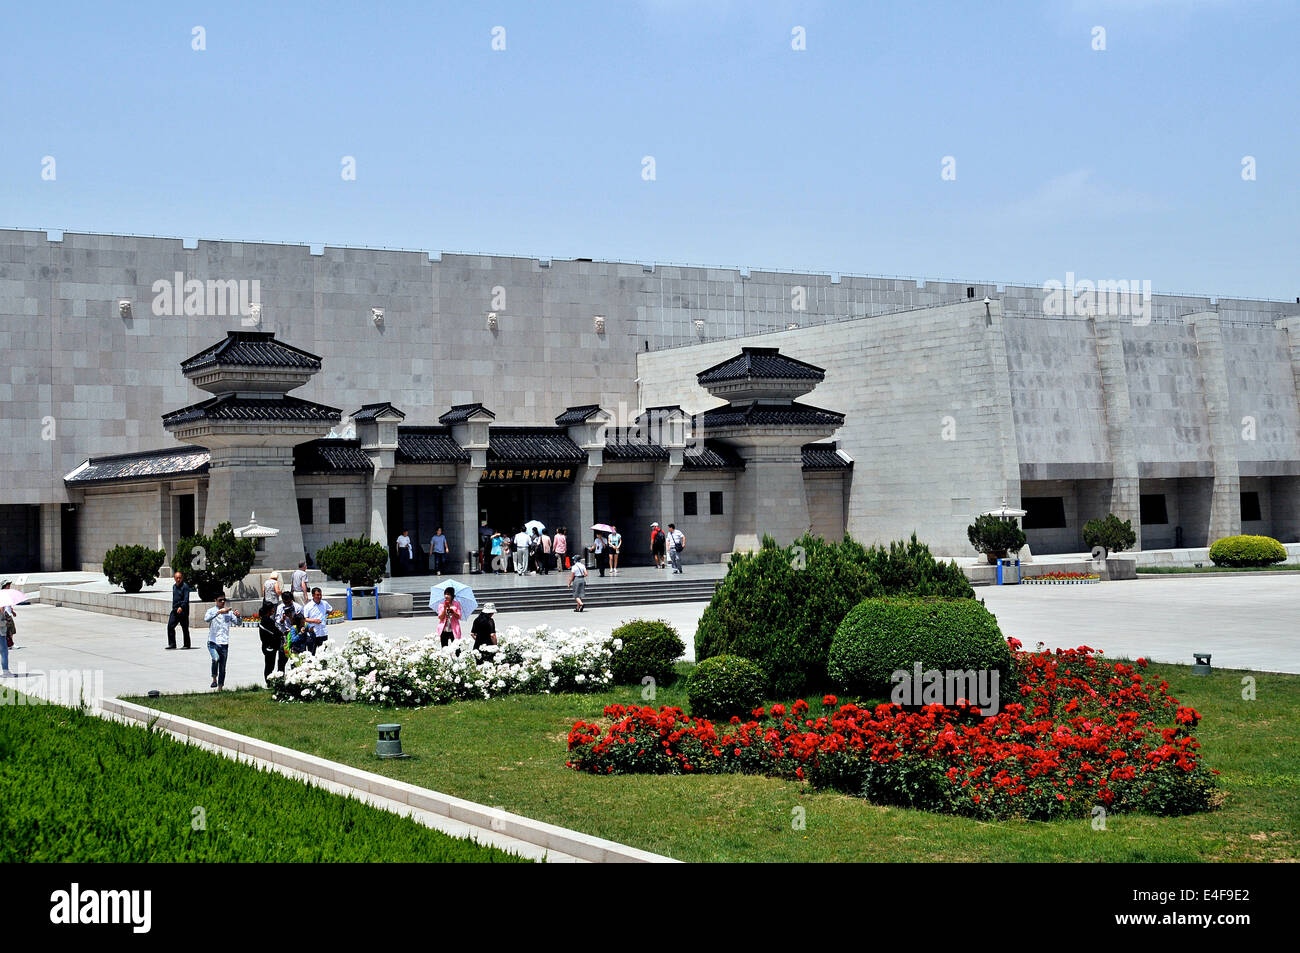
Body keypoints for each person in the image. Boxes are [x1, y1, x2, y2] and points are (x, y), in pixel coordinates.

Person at [204, 595, 237, 690]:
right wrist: (218, 612)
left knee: (222, 667)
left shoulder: (228, 612)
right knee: (215, 659)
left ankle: (220, 687)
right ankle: (214, 678)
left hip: (224, 642)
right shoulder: (211, 611)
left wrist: (238, 617)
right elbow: (206, 619)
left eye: (224, 600)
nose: (222, 602)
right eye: (220, 600)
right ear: (215, 600)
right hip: (213, 642)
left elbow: (238, 622)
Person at [301, 586, 333, 655]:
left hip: (323, 632)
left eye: (320, 594)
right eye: (317, 595)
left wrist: (327, 614)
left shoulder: (324, 603)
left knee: (324, 653)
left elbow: (330, 610)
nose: (319, 596)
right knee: (312, 653)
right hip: (313, 633)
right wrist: (314, 621)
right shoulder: (308, 606)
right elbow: (305, 618)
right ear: (313, 595)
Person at [275, 591, 308, 656]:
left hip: (296, 634)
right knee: (283, 655)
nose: (286, 604)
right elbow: (277, 621)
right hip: (284, 634)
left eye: (288, 602)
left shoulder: (298, 607)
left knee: (298, 656)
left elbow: (301, 622)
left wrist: (291, 617)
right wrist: (282, 619)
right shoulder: (280, 607)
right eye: (285, 602)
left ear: (292, 600)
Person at [166, 570, 192, 650]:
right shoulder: (174, 586)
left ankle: (187, 644)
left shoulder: (185, 587)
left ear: (182, 578)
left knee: (184, 628)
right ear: (174, 578)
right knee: (170, 626)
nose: (178, 579)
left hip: (183, 610)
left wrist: (181, 607)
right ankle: (172, 644)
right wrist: (175, 607)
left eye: (179, 578)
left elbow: (186, 599)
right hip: (175, 610)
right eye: (177, 578)